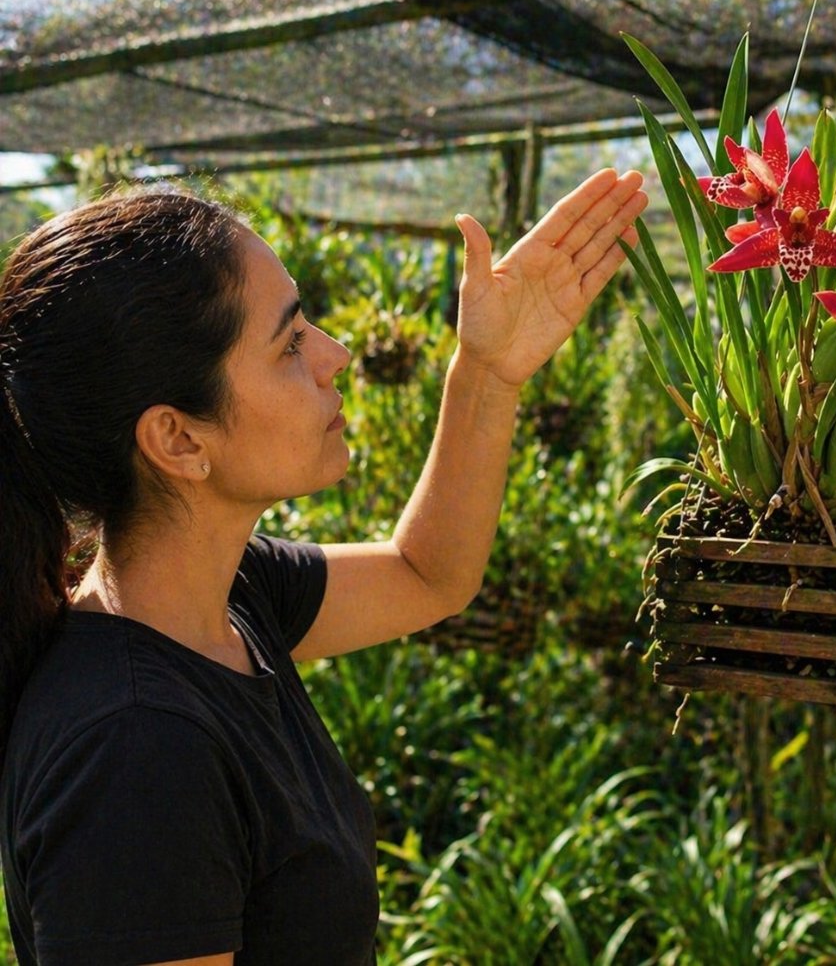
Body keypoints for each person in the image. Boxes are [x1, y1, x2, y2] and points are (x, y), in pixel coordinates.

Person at [0, 169, 647, 966]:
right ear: (179, 440)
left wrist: (487, 371)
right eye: (290, 342)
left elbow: (425, 574)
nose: (335, 356)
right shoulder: (135, 752)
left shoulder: (232, 601)